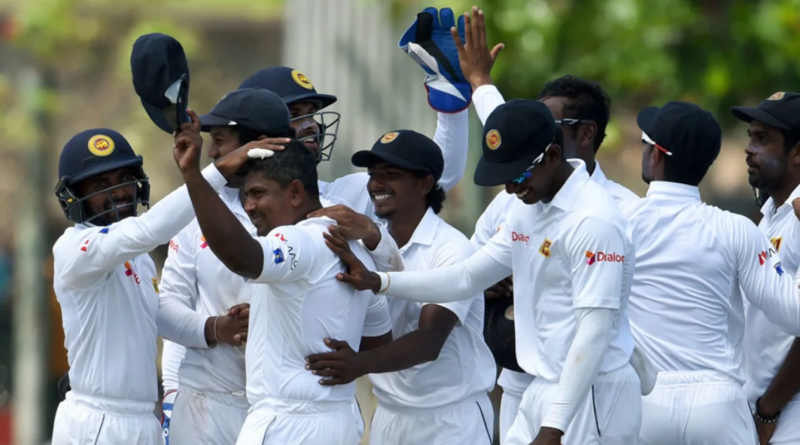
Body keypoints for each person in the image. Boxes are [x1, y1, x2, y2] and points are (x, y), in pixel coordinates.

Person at [324, 99, 642, 445]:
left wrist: (554, 428)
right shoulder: (528, 208)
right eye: (504, 179)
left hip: (591, 392)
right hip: (541, 386)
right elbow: (466, 278)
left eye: (518, 175)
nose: (510, 190)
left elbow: (593, 334)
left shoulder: (594, 219)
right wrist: (381, 281)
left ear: (553, 156)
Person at [453, 8, 640, 442]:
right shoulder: (523, 192)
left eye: (547, 125)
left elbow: (606, 323)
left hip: (585, 392)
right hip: (523, 382)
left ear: (585, 134)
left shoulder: (615, 210)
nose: (533, 131)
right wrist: (480, 84)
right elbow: (511, 138)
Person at [175, 124, 405, 444]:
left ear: (295, 192)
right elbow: (379, 340)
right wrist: (278, 323)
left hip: (289, 426)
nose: (249, 207)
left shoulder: (298, 237)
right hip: (338, 420)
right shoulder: (354, 246)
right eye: (245, 196)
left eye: (258, 193)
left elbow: (243, 257)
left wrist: (193, 177)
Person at [49, 113, 256, 444]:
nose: (117, 192)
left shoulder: (138, 256)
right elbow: (150, 230)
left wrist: (214, 328)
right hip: (98, 421)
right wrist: (216, 172)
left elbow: (152, 314)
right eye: (100, 185)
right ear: (75, 198)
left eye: (123, 178)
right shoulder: (74, 249)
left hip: (143, 417)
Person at [303, 130, 496, 445]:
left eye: (391, 175)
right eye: (373, 174)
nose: (376, 184)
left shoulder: (451, 248)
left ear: (424, 184)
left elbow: (429, 341)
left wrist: (357, 364)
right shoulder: (367, 244)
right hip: (389, 416)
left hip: (452, 421)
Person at [624, 100, 800, 445]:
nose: (750, 148)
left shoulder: (617, 223)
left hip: (646, 400)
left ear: (656, 155)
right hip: (720, 404)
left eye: (762, 138)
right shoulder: (740, 227)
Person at [155, 88, 299, 445]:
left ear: (259, 144)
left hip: (284, 407)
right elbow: (163, 309)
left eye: (221, 140)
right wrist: (216, 328)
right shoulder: (196, 211)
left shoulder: (308, 207)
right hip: (204, 403)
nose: (214, 153)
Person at [731, 91, 800, 445]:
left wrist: (769, 409)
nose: (749, 149)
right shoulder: (771, 217)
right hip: (760, 408)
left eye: (763, 139)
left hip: (788, 413)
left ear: (798, 152)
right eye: (750, 137)